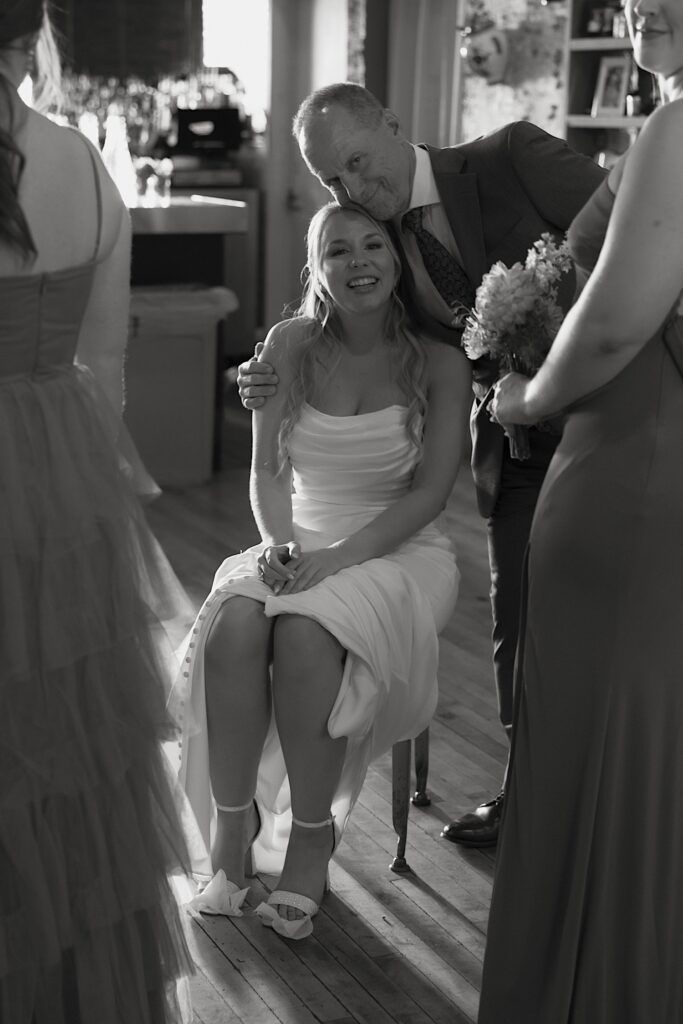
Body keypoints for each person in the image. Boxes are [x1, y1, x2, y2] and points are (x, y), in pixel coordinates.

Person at [236, 82, 606, 847]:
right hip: (516, 442)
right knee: (518, 625)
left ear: (394, 127)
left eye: (358, 163)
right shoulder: (375, 236)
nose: (352, 190)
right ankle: (528, 796)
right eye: (331, 181)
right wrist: (261, 374)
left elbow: (630, 235)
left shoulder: (510, 156)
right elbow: (341, 323)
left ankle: (623, 792)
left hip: (610, 418)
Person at [172, 200, 470, 939]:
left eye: (373, 245)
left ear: (398, 262)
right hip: (302, 536)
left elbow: (431, 495)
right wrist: (277, 543)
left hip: (400, 548)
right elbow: (267, 474)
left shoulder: (438, 358)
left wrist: (336, 560)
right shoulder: (290, 344)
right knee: (234, 624)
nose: (358, 261)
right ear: (317, 268)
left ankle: (311, 841)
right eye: (338, 250)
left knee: (305, 632)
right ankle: (230, 839)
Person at [479, 0, 683, 1017]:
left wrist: (524, 397)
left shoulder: (678, 128)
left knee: (605, 746)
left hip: (635, 475)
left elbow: (608, 327)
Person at [0, 3, 193, 1021]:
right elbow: (107, 360)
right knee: (65, 725)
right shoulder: (83, 162)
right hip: (59, 455)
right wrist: (81, 483)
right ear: (32, 45)